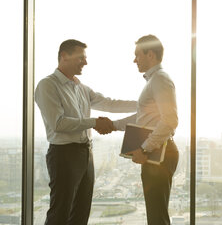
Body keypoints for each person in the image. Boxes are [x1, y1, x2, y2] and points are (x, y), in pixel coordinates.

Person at [35, 39, 137, 225]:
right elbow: (58, 124)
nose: (86, 62)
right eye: (81, 57)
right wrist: (94, 122)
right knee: (61, 212)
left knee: (81, 212)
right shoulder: (47, 85)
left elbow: (109, 103)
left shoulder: (81, 88)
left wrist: (143, 105)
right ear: (64, 56)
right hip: (64, 155)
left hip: (85, 153)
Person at [114, 35, 179, 225]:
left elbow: (170, 121)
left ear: (150, 54)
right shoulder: (153, 81)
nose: (134, 60)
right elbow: (143, 117)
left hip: (159, 154)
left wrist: (144, 149)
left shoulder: (160, 79)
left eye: (137, 55)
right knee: (155, 215)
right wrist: (113, 125)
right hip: (156, 153)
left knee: (157, 218)